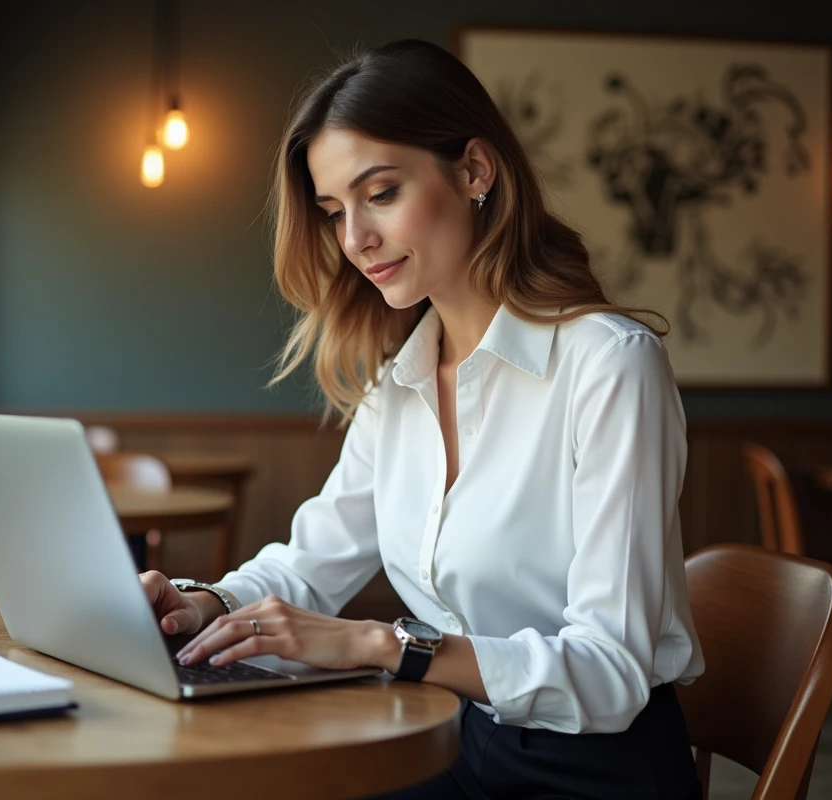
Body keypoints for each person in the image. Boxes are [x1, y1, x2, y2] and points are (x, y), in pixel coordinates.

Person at [139, 39, 704, 799]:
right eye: (336, 211)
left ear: (475, 170)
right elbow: (310, 564)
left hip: (593, 770)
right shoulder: (397, 381)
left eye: (381, 193)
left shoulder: (609, 365)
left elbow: (609, 673)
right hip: (453, 739)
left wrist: (383, 645)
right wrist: (203, 607)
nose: (354, 240)